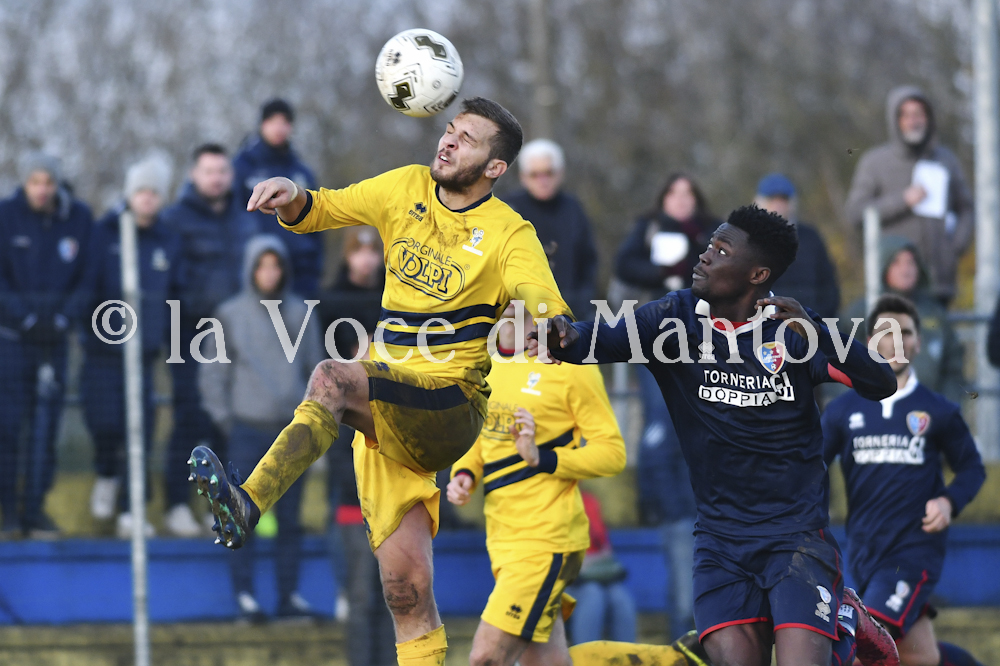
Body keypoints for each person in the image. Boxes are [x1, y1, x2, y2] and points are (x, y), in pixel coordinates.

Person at [188, 97, 573, 666]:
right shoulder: (406, 187)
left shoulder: (510, 232)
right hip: (388, 416)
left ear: (496, 167)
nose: (447, 141)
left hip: (449, 404)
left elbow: (542, 297)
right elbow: (324, 206)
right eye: (449, 129)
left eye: (467, 138)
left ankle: (248, 502)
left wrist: (550, 321)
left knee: (331, 377)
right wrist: (291, 196)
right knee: (405, 593)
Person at [529, 205, 900, 666]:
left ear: (757, 274)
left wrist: (819, 332)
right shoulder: (673, 320)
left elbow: (881, 382)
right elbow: (594, 339)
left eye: (722, 251)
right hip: (721, 542)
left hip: (797, 537)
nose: (705, 256)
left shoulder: (794, 331)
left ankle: (843, 621)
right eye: (709, 245)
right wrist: (561, 335)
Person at [445, 301, 626, 666]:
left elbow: (613, 453)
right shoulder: (485, 360)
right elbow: (480, 434)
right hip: (503, 540)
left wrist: (542, 458)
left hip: (546, 539)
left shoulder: (570, 363)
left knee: (485, 658)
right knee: (545, 661)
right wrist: (464, 474)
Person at [823, 295, 986, 666]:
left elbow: (971, 468)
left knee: (860, 648)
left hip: (913, 552)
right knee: (919, 656)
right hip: (864, 552)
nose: (896, 341)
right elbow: (812, 465)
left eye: (906, 332)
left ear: (918, 342)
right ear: (869, 343)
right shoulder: (842, 410)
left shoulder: (939, 410)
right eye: (886, 332)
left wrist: (948, 501)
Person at [198, 235, 325, 620]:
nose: (269, 273)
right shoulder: (230, 314)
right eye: (262, 266)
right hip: (246, 430)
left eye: (275, 265)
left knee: (290, 520)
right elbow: (213, 374)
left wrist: (312, 425)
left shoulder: (302, 313)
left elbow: (316, 371)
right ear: (251, 270)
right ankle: (245, 597)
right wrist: (227, 420)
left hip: (292, 433)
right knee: (239, 516)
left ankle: (289, 597)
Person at [616, 173, 719, 640]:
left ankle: (701, 501)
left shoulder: (713, 232)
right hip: (654, 337)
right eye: (673, 192)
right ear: (662, 199)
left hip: (704, 341)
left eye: (687, 192)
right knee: (660, 426)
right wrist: (664, 274)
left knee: (702, 421)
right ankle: (660, 504)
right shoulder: (648, 228)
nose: (680, 199)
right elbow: (625, 265)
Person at [160, 143, 258, 537]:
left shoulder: (246, 218)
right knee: (189, 417)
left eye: (222, 171)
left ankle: (217, 507)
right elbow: (168, 281)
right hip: (189, 334)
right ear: (193, 175)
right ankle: (175, 505)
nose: (216, 178)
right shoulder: (174, 220)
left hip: (238, 339)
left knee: (227, 423)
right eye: (209, 171)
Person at [83, 155, 182, 539]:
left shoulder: (167, 240)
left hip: (144, 355)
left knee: (139, 434)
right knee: (105, 425)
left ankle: (132, 511)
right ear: (129, 194)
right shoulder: (103, 233)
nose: (147, 198)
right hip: (102, 354)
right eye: (141, 191)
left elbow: (175, 294)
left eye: (154, 192)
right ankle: (106, 474)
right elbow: (87, 287)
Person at [0, 152, 93, 539]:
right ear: (25, 183)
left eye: (48, 183)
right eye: (34, 182)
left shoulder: (79, 219)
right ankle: (8, 513)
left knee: (46, 427)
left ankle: (35, 509)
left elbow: (87, 277)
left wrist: (61, 320)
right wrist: (24, 317)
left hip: (55, 342)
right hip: (11, 341)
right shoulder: (6, 215)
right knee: (8, 427)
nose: (41, 189)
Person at [845, 86, 974, 304]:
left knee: (936, 328)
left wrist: (954, 248)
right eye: (905, 115)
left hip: (939, 285)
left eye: (918, 114)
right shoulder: (875, 162)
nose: (913, 121)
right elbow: (855, 213)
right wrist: (903, 200)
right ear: (895, 120)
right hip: (892, 288)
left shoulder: (946, 160)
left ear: (928, 118)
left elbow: (967, 209)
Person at [840, 237, 963, 402]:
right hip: (874, 408)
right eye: (896, 263)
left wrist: (945, 405)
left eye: (911, 263)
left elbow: (953, 367)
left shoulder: (934, 312)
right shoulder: (864, 310)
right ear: (883, 267)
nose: (906, 270)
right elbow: (838, 361)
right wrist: (854, 404)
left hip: (926, 409)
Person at [234, 99, 323, 298]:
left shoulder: (302, 172)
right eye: (273, 121)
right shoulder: (242, 167)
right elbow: (233, 216)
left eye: (285, 122)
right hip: (259, 272)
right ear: (262, 124)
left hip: (301, 272)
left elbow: (318, 219)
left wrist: (316, 268)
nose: (279, 128)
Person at [503, 139, 598, 319]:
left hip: (571, 309)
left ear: (560, 173)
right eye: (535, 174)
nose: (543, 181)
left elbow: (588, 260)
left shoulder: (573, 208)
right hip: (520, 313)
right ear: (523, 177)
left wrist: (583, 301)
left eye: (549, 173)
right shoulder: (507, 210)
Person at [754, 173, 840, 319]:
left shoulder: (811, 237)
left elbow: (828, 286)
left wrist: (818, 320)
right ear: (759, 202)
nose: (778, 205)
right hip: (763, 321)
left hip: (809, 317)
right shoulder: (747, 239)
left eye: (784, 200)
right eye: (772, 199)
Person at [566, 491, 637, 645]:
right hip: (561, 581)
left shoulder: (590, 502)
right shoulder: (548, 502)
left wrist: (588, 561)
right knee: (593, 595)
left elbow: (606, 550)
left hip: (594, 575)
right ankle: (585, 656)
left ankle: (626, 656)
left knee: (621, 598)